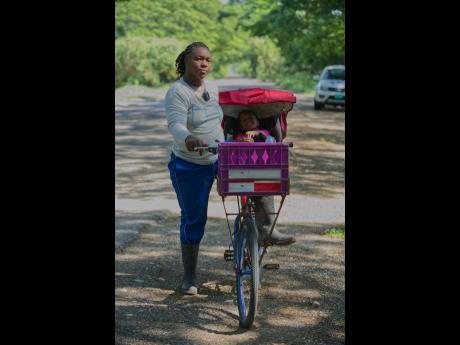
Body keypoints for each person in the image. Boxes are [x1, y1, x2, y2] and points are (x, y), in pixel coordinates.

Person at [165, 42, 224, 295]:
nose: (204, 64)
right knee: (194, 217)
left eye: (208, 60)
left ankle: (259, 235)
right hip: (190, 164)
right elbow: (175, 124)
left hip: (219, 158)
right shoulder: (177, 91)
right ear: (185, 61)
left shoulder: (213, 87)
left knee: (255, 180)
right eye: (198, 59)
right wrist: (188, 137)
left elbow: (220, 117)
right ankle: (189, 276)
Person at [234, 110, 296, 246]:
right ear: (241, 126)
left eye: (251, 118)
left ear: (258, 122)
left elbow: (271, 143)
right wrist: (242, 142)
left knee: (265, 193)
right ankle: (248, 216)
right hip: (242, 175)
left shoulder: (265, 134)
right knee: (244, 189)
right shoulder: (239, 136)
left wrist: (258, 135)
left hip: (262, 175)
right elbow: (232, 148)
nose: (248, 121)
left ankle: (267, 232)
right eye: (244, 121)